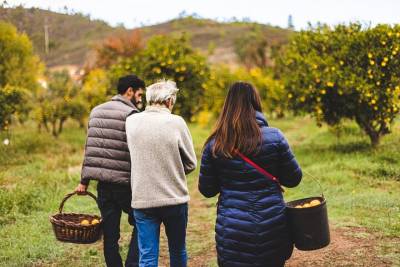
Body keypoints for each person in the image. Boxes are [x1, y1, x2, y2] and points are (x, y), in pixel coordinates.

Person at [198, 82, 302, 267]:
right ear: (256, 102)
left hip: (233, 228)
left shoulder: (215, 144)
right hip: (272, 225)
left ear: (227, 106)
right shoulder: (275, 137)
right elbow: (294, 179)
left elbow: (207, 190)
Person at [75, 74, 145, 267]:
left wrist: (84, 181)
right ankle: (132, 263)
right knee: (142, 222)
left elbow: (90, 149)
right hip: (125, 185)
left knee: (110, 235)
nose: (140, 99)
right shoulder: (133, 115)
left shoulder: (96, 111)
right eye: (139, 94)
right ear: (129, 91)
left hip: (103, 186)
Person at [125, 80, 197, 267]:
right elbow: (191, 163)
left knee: (147, 256)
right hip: (174, 199)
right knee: (177, 249)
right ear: (169, 101)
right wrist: (172, 169)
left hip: (143, 199)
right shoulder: (176, 122)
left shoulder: (131, 121)